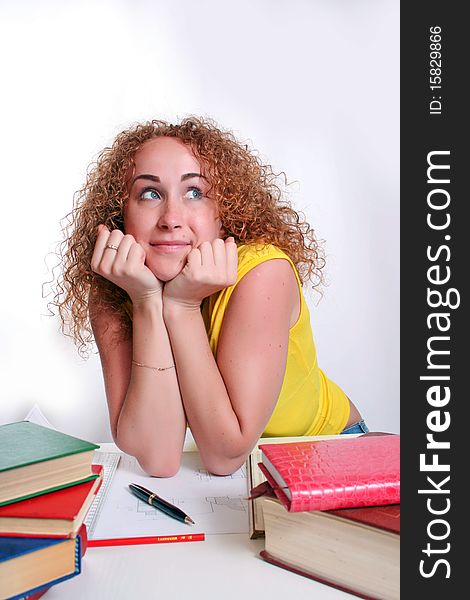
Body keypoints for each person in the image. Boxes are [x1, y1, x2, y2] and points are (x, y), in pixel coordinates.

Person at [53, 116, 367, 477]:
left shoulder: (262, 273)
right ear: (120, 214)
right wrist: (147, 304)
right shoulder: (117, 285)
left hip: (328, 450)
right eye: (150, 193)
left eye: (195, 193)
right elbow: (159, 458)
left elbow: (225, 455)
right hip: (245, 476)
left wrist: (183, 306)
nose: (171, 218)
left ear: (225, 213)